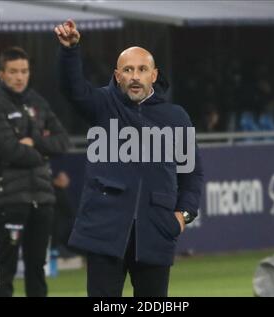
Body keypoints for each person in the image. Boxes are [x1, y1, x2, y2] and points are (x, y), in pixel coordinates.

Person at [55, 20, 204, 297]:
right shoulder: (102, 105)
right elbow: (72, 89)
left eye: (142, 69)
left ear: (154, 74)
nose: (135, 76)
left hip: (156, 231)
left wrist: (183, 216)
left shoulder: (176, 117)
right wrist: (70, 50)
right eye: (128, 70)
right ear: (117, 75)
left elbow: (192, 175)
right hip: (104, 230)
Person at [0, 46, 69, 297]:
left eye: (24, 71)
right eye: (13, 71)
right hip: (8, 197)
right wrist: (43, 151)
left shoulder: (37, 102)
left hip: (41, 197)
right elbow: (11, 151)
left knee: (37, 266)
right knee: (5, 265)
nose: (20, 77)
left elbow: (63, 142)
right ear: (1, 74)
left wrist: (34, 141)